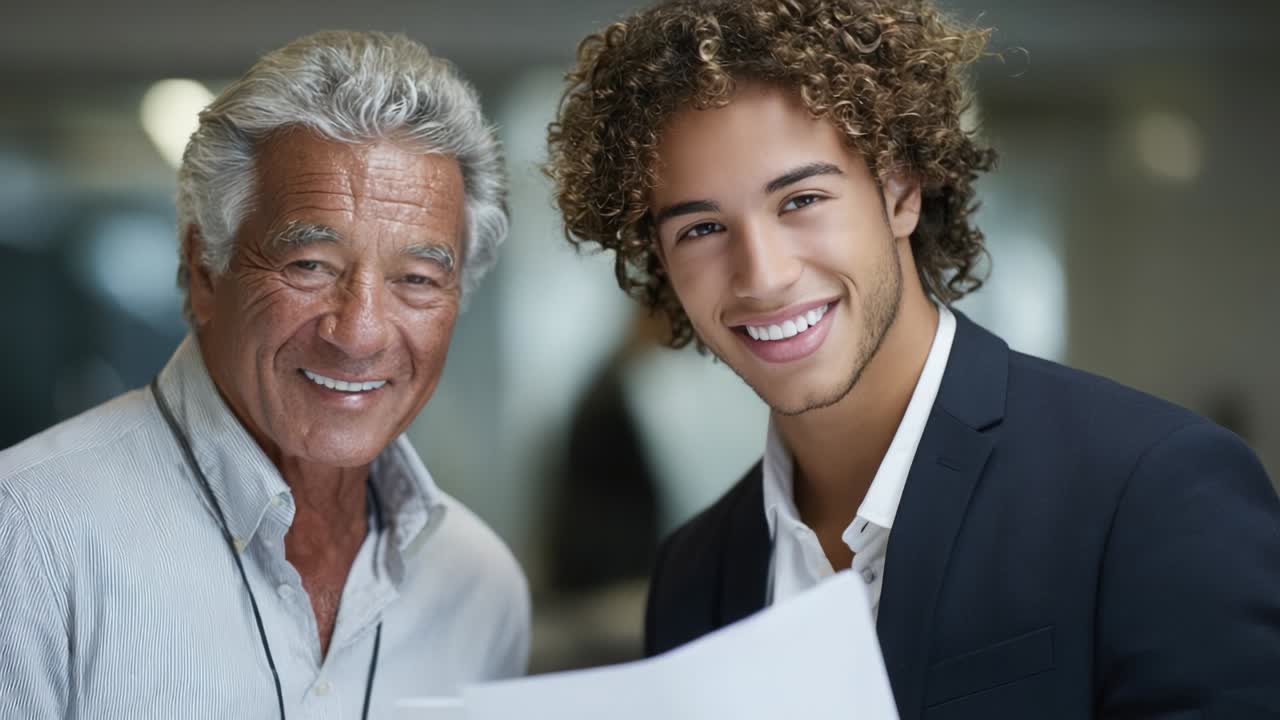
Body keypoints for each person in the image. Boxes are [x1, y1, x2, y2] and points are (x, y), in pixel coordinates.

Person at [545, 1, 1280, 717]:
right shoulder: (692, 574)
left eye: (801, 199)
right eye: (702, 227)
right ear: (659, 261)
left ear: (901, 192)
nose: (762, 274)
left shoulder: (1152, 489)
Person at [0, 31, 528, 718]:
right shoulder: (28, 534)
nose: (360, 331)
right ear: (204, 267)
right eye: (309, 265)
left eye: (418, 279)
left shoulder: (483, 590)